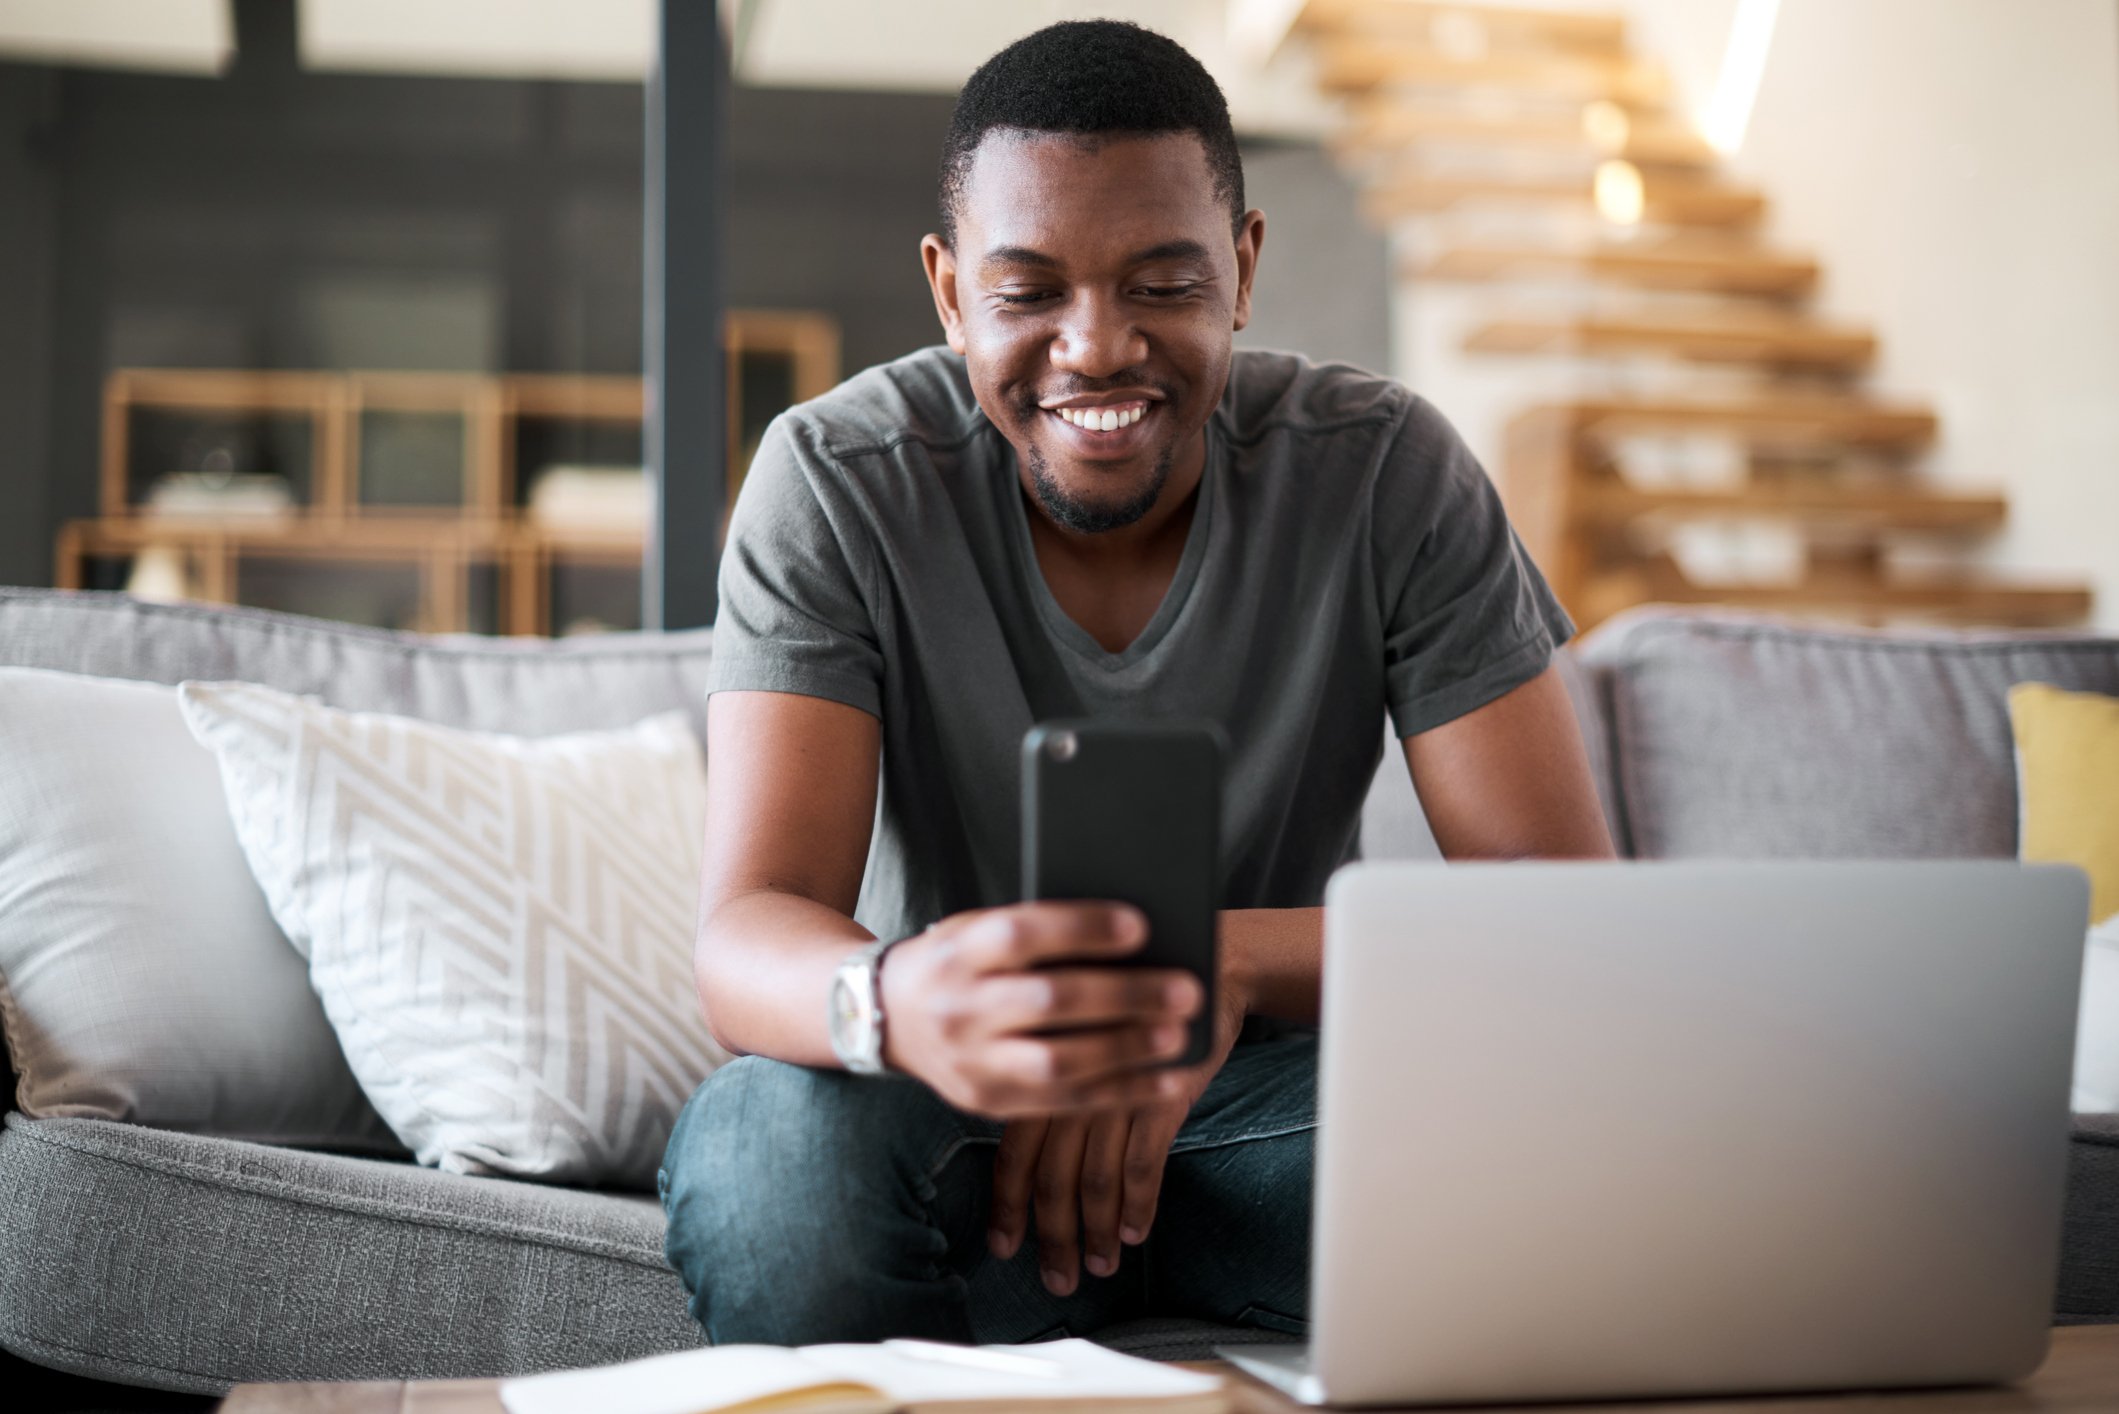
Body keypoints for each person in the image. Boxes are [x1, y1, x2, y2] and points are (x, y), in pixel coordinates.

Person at [658, 19, 1614, 1347]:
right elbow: (747, 927)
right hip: (966, 1122)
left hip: (1273, 1122)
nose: (1097, 345)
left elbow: (1567, 923)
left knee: (1604, 1125)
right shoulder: (834, 479)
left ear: (1245, 267)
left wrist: (1212, 967)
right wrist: (900, 1000)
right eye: (1026, 292)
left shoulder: (1388, 470)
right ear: (948, 293)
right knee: (767, 1146)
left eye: (1163, 283)